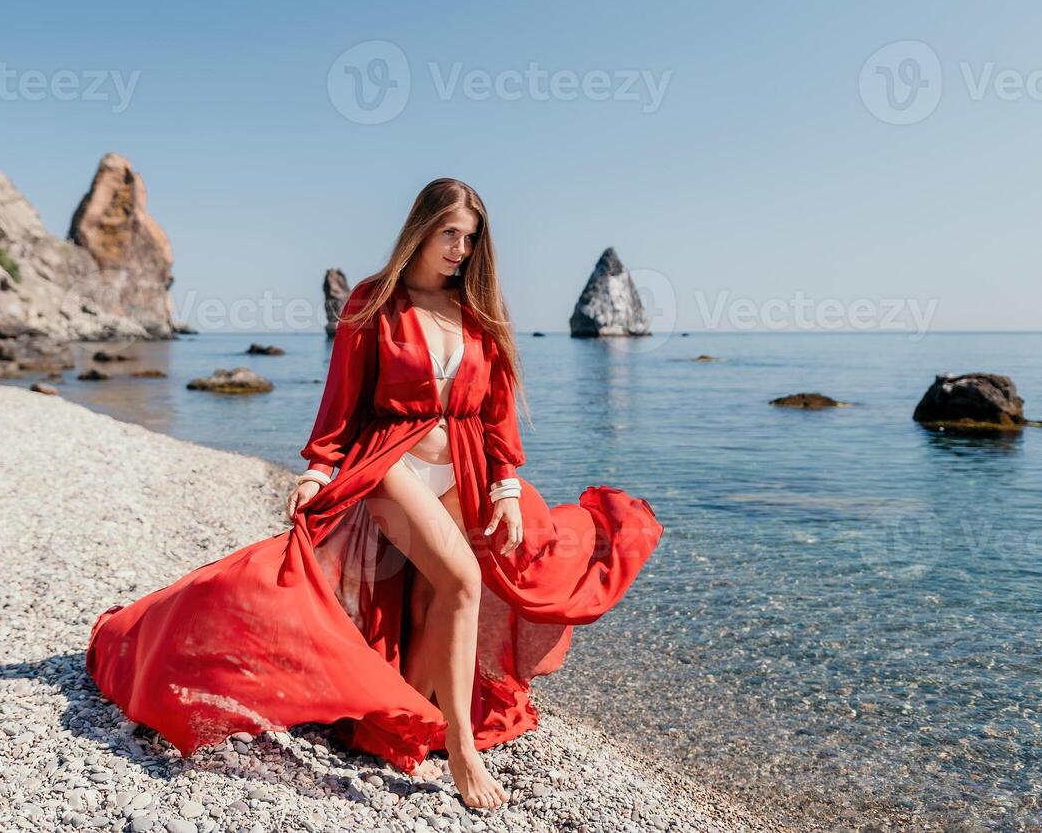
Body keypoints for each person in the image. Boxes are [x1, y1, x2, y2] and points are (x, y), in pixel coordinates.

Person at [86, 178, 664, 810]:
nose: (460, 250)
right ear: (421, 228)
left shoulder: (477, 310)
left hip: (466, 467)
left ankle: (405, 725)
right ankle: (463, 752)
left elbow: (498, 410)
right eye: (450, 235)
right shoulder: (374, 300)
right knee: (464, 580)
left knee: (434, 601)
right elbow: (342, 397)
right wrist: (317, 468)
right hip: (393, 467)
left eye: (470, 240)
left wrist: (503, 484)